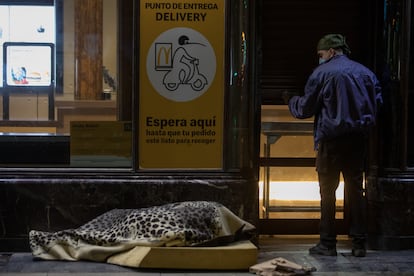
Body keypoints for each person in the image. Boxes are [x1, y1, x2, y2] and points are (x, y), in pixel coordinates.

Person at [287, 34, 382, 257]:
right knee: (356, 190)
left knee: (328, 193)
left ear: (330, 52)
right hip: (358, 140)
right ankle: (359, 244)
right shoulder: (367, 73)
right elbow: (377, 103)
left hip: (331, 142)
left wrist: (290, 99)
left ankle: (327, 243)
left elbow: (305, 109)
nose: (319, 58)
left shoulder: (321, 73)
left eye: (320, 54)